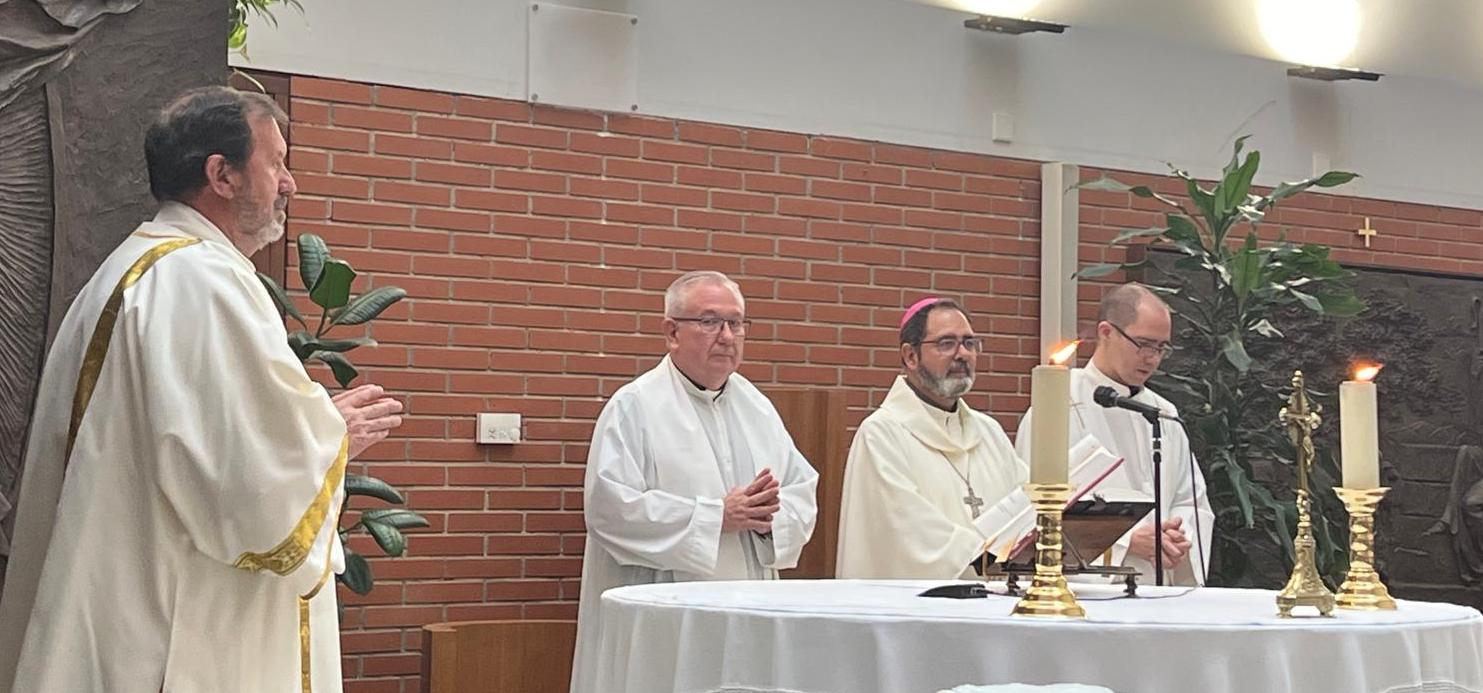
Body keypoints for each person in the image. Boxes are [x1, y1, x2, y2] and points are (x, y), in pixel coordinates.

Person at [0, 86, 404, 692]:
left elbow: (198, 443)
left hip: (118, 617)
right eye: (276, 162)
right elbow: (251, 496)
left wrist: (309, 430)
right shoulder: (201, 281)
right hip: (168, 639)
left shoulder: (131, 267)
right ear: (222, 174)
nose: (289, 183)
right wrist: (330, 435)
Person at [570, 270, 819, 693]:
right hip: (663, 616)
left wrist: (767, 519)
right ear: (671, 332)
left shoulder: (757, 408)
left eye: (736, 323)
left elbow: (800, 489)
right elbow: (609, 509)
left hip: (744, 609)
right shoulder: (635, 406)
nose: (726, 335)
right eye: (709, 322)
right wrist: (715, 516)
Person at [1016, 283, 1214, 585]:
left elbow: (1191, 502)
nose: (1153, 358)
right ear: (1106, 332)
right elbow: (1034, 508)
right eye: (1144, 344)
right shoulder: (1059, 406)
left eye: (1162, 348)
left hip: (1157, 587)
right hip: (1090, 593)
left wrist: (1176, 539)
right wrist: (1127, 541)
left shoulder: (1165, 414)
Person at [836, 298, 1028, 579]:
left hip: (997, 603)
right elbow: (906, 531)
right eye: (946, 343)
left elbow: (1025, 505)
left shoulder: (989, 432)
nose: (962, 354)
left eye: (969, 343)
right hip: (919, 611)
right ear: (910, 356)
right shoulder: (882, 433)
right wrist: (986, 553)